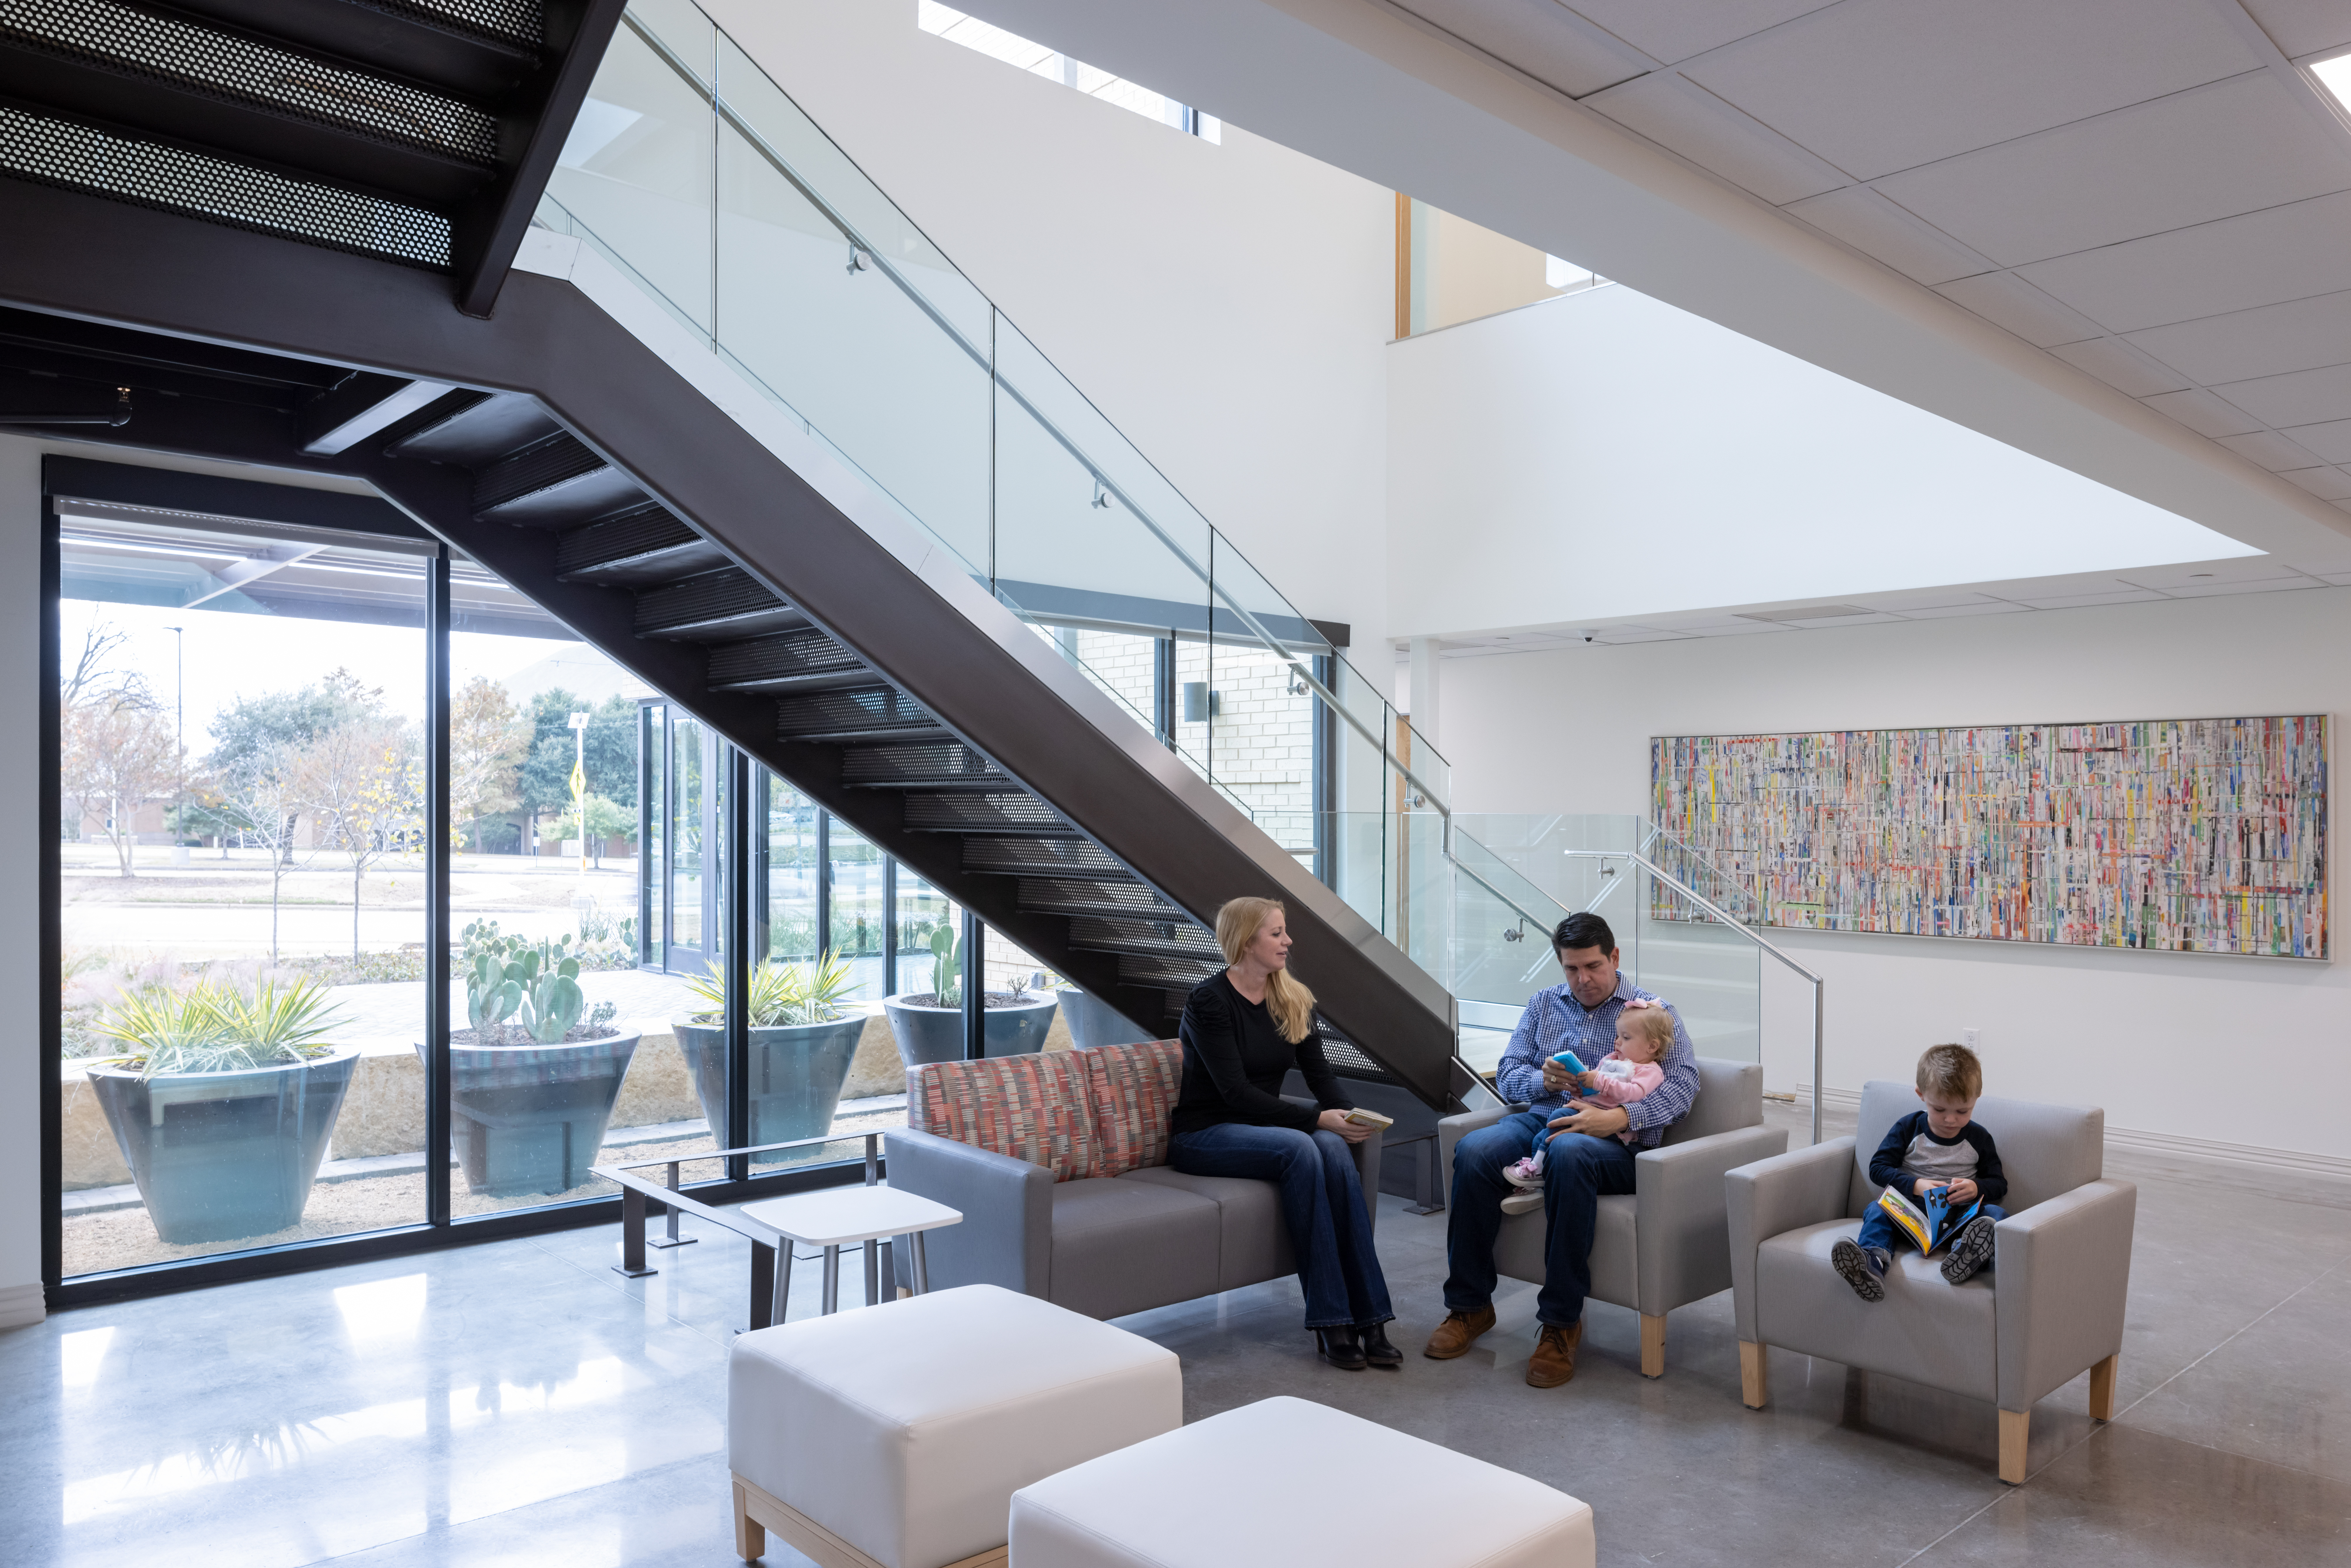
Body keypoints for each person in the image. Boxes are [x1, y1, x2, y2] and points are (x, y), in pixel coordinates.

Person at [1425, 912, 1697, 1387]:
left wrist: (1620, 1116)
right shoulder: (1543, 1004)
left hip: (1617, 1141)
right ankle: (1469, 1307)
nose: (1583, 979)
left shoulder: (1651, 1011)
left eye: (1592, 966)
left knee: (1570, 1151)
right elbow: (1509, 1074)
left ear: (1614, 956)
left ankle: (1559, 1322)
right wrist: (1542, 1079)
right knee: (1474, 1150)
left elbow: (1683, 1086)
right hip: (1545, 1117)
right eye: (1571, 968)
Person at [1170, 896, 1397, 1370]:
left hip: (1262, 1127)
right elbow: (1233, 1092)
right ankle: (1332, 1319)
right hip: (1206, 1132)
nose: (1288, 941)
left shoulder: (1291, 996)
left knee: (1334, 1148)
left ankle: (1372, 1317)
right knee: (1303, 1145)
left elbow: (1321, 1076)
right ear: (1246, 940)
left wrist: (1346, 1114)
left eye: (1285, 931)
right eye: (1276, 933)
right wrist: (1316, 1119)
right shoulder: (1209, 1001)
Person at [1833, 1042, 2008, 1299]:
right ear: (1921, 1094)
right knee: (1876, 1209)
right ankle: (1872, 1263)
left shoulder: (1979, 1138)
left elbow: (1999, 1183)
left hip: (1958, 1219)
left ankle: (1967, 1254)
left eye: (1963, 1111)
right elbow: (1878, 1168)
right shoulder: (1908, 1128)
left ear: (1977, 1098)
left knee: (1996, 1214)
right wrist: (1916, 1185)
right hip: (1909, 1215)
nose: (1951, 1120)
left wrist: (1976, 1188)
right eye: (1940, 1109)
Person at [1499, 1003, 1673, 1215]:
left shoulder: (1650, 1071)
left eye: (1626, 1038)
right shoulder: (1611, 1060)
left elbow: (1633, 1094)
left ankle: (1536, 1169)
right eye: (1618, 1036)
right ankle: (1537, 1183)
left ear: (1652, 1046)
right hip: (1588, 1112)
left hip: (1614, 1132)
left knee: (1558, 1119)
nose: (1618, 1042)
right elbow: (1598, 1091)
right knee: (1541, 1139)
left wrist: (1599, 1081)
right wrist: (1581, 1089)